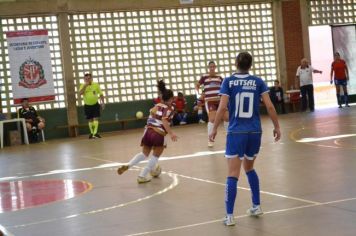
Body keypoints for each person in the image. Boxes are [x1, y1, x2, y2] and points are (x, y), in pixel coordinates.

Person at [209, 52, 281, 226]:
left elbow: (222, 107)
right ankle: (256, 205)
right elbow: (270, 106)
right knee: (249, 167)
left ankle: (229, 216)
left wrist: (214, 128)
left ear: (235, 63)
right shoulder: (258, 81)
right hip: (255, 132)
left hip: (236, 133)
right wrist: (277, 126)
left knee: (233, 173)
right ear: (251, 65)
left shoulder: (228, 81)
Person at [117, 80, 178, 183]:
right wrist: (171, 133)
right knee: (155, 156)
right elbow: (164, 120)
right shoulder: (169, 109)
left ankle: (129, 164)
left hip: (147, 131)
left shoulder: (156, 105)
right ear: (171, 98)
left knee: (144, 153)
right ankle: (142, 175)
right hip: (158, 133)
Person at [195, 61, 229, 147]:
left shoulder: (219, 77)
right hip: (210, 101)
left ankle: (230, 137)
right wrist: (197, 89)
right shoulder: (204, 77)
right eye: (210, 67)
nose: (212, 68)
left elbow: (224, 87)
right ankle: (211, 139)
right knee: (212, 119)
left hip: (220, 100)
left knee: (227, 117)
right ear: (208, 68)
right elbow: (198, 84)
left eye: (213, 67)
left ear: (215, 67)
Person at [79, 73, 105, 139]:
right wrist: (85, 86)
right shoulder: (82, 85)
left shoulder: (96, 85)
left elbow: (101, 94)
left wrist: (103, 103)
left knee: (96, 118)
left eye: (89, 78)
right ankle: (92, 133)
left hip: (95, 104)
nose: (88, 80)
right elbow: (80, 93)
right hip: (87, 105)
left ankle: (95, 133)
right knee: (90, 120)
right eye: (86, 79)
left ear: (91, 78)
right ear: (84, 79)